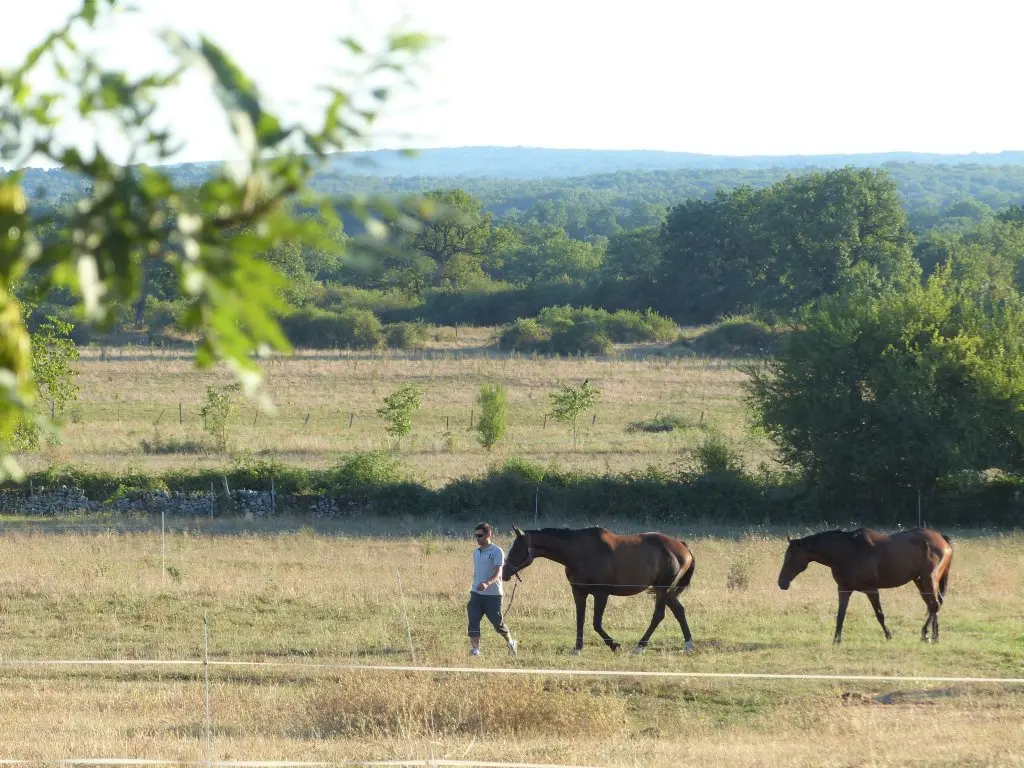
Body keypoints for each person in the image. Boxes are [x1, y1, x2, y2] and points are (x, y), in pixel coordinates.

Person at [467, 522, 517, 657]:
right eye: (476, 535)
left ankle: (511, 642)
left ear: (489, 534)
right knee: (473, 620)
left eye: (480, 535)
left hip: (493, 595)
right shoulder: (476, 552)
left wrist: (487, 583)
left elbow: (498, 573)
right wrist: (476, 585)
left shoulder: (497, 551)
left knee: (497, 623)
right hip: (476, 593)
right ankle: (475, 650)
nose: (477, 538)